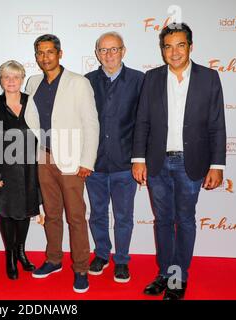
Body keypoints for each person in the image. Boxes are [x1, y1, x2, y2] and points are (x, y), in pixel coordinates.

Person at [132, 23, 226, 300]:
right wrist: (138, 159)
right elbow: (142, 122)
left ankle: (178, 277)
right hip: (157, 161)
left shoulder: (209, 78)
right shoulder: (152, 78)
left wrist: (217, 165)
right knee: (162, 220)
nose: (174, 52)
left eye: (180, 45)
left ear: (190, 46)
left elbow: (217, 125)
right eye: (168, 46)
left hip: (192, 162)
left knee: (184, 220)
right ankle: (165, 273)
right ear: (162, 50)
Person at [26, 34, 99, 293]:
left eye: (49, 52)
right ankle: (54, 259)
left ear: (60, 54)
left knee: (76, 217)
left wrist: (87, 160)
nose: (45, 57)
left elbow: (91, 123)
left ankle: (80, 268)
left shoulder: (78, 83)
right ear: (36, 56)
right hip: (43, 156)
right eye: (40, 53)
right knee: (52, 214)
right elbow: (22, 113)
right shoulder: (32, 82)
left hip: (71, 159)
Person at [84, 32, 144, 283]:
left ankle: (121, 260)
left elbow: (145, 122)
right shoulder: (86, 81)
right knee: (97, 213)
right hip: (94, 163)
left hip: (125, 163)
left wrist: (141, 159)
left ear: (123, 50)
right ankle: (101, 254)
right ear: (97, 53)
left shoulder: (140, 81)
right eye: (103, 50)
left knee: (123, 217)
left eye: (114, 49)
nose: (108, 55)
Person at [0, 60, 41, 280]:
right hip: (4, 172)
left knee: (24, 213)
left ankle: (21, 252)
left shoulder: (31, 102)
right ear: (1, 80)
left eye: (16, 77)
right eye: (7, 77)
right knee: (7, 213)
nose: (11, 81)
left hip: (30, 170)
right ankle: (9, 256)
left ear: (22, 79)